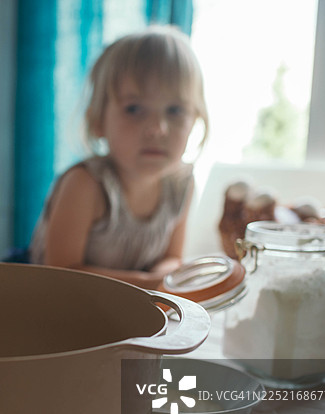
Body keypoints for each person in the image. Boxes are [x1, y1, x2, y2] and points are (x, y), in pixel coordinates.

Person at [28, 26, 209, 290]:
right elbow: (61, 275)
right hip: (57, 313)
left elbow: (171, 257)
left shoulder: (182, 185)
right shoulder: (86, 185)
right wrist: (147, 284)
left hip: (126, 316)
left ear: (194, 119)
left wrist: (165, 278)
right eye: (134, 109)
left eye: (175, 110)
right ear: (98, 121)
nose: (158, 128)